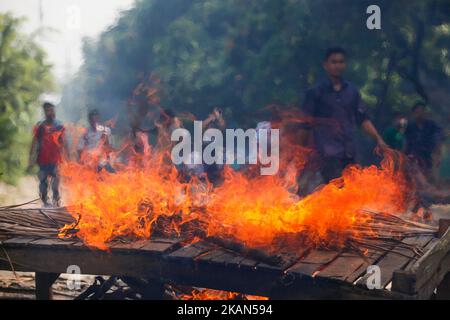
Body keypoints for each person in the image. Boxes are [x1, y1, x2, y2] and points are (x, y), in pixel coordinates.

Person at [299, 47, 387, 183]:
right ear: (326, 65)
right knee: (336, 189)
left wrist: (378, 138)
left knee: (352, 189)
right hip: (327, 153)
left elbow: (362, 118)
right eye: (334, 62)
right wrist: (301, 151)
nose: (337, 65)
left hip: (349, 151)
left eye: (341, 62)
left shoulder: (352, 91)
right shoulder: (316, 92)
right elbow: (306, 124)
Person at [29, 102, 66, 207]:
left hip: (56, 160)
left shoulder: (59, 126)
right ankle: (45, 204)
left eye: (52, 110)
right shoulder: (40, 126)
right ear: (44, 111)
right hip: (43, 161)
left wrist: (67, 157)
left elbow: (64, 143)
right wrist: (31, 157)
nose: (50, 112)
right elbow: (34, 142)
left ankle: (56, 203)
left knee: (55, 185)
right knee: (43, 185)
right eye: (48, 110)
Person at [404, 102, 443, 181]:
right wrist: (403, 156)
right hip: (413, 156)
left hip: (428, 156)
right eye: (417, 111)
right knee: (414, 178)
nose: (420, 113)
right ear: (413, 113)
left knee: (428, 177)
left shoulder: (432, 125)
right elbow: (406, 142)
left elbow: (439, 139)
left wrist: (438, 155)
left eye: (422, 111)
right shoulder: (410, 126)